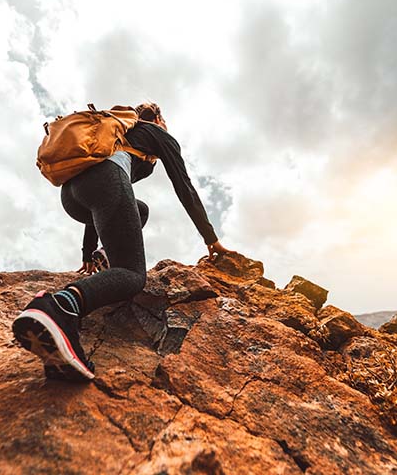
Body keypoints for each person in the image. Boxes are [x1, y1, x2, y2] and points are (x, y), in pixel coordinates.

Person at [12, 103, 233, 381]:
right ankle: (59, 308)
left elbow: (100, 200)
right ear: (159, 119)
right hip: (106, 181)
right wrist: (210, 237)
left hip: (72, 195)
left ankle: (104, 259)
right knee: (131, 275)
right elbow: (183, 186)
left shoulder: (120, 133)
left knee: (139, 210)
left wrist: (89, 253)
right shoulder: (157, 133)